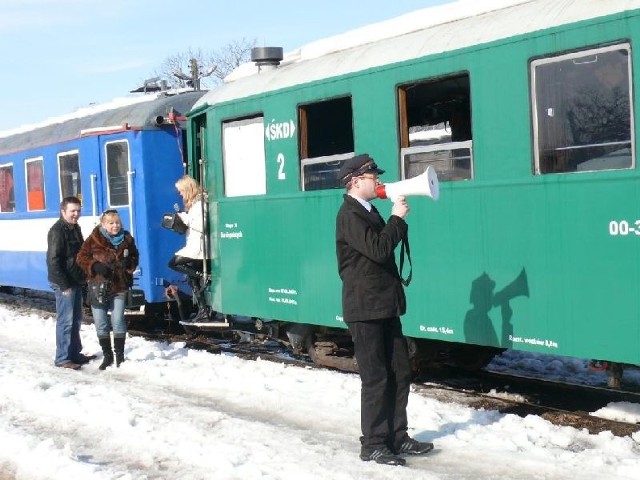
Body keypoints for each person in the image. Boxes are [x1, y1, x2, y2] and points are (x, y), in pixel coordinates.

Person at [335, 154, 434, 466]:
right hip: (365, 309)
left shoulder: (368, 210)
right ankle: (373, 444)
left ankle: (397, 436)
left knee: (399, 372)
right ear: (354, 181)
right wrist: (397, 219)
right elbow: (378, 249)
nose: (377, 180)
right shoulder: (349, 214)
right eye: (370, 176)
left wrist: (395, 221)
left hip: (384, 305)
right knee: (376, 377)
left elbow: (382, 246)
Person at [77, 209, 139, 370]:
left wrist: (129, 264)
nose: (115, 226)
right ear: (103, 224)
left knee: (118, 320)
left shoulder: (127, 239)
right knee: (101, 323)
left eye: (117, 222)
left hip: (119, 285)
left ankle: (120, 356)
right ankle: (107, 356)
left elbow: (135, 256)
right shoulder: (93, 239)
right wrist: (94, 265)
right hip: (98, 286)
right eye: (111, 223)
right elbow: (81, 258)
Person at [47, 196, 96, 369]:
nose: (76, 214)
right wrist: (64, 285)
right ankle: (62, 358)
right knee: (66, 321)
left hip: (74, 280)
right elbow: (53, 261)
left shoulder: (75, 228)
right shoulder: (57, 231)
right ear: (63, 211)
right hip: (64, 282)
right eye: (72, 211)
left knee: (76, 319)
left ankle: (74, 353)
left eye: (78, 211)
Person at [167, 175, 211, 322]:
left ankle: (203, 275)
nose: (179, 194)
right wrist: (183, 217)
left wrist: (187, 220)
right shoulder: (194, 204)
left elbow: (201, 226)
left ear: (187, 189)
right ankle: (203, 310)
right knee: (192, 280)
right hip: (194, 245)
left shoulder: (200, 204)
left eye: (180, 190)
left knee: (173, 263)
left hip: (198, 247)